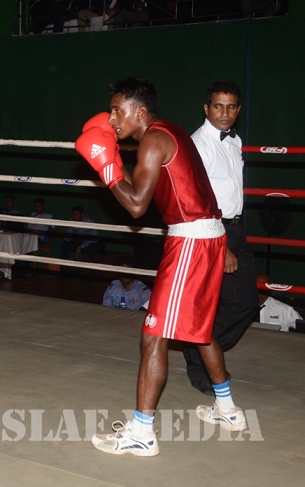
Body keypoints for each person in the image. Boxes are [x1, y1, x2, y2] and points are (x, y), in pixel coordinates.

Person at [76, 78, 246, 457]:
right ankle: (228, 409)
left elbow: (137, 206)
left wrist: (106, 168)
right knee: (197, 331)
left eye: (118, 111)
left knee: (154, 334)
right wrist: (114, 162)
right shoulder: (170, 131)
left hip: (190, 239)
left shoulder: (153, 140)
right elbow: (162, 187)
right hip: (206, 235)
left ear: (140, 111)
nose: (111, 119)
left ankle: (141, 433)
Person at [182, 81, 260, 395]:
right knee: (212, 302)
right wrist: (221, 242)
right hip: (212, 230)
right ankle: (201, 360)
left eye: (231, 107)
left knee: (247, 302)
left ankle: (198, 346)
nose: (224, 113)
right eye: (218, 106)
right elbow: (196, 198)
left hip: (236, 228)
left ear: (238, 110)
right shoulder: (198, 145)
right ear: (206, 108)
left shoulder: (234, 140)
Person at [60, 205, 101, 276]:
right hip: (82, 243)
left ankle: (92, 274)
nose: (74, 216)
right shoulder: (74, 222)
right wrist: (71, 228)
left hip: (96, 243)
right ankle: (65, 271)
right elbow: (67, 239)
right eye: (72, 214)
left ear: (82, 215)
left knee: (92, 247)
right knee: (65, 244)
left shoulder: (89, 222)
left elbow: (94, 239)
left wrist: (81, 246)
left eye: (76, 214)